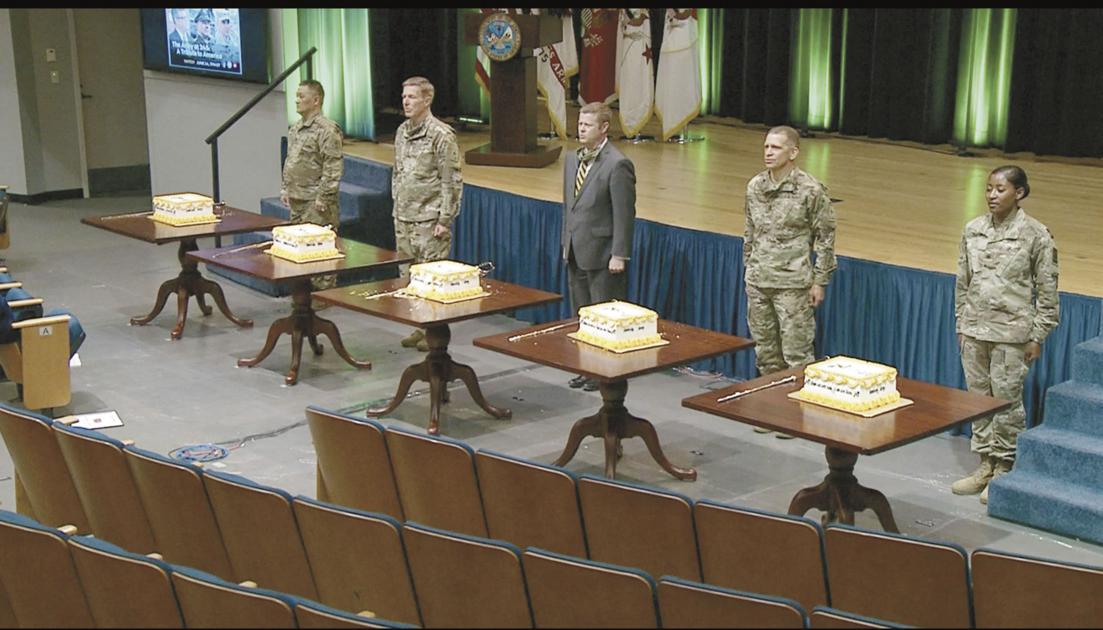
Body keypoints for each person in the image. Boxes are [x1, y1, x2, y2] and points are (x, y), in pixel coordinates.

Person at [952, 165, 1059, 505]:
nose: (992, 195)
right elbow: (962, 281)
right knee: (978, 401)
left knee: (1007, 403)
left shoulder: (1035, 234)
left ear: (1019, 193)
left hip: (1012, 334)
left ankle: (1004, 468)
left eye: (1000, 189)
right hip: (975, 330)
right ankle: (985, 464)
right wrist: (961, 323)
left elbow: (1047, 291)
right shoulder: (973, 229)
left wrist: (1037, 335)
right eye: (989, 189)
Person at [743, 125, 837, 438]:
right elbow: (749, 232)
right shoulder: (755, 186)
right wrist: (748, 268)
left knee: (796, 354)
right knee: (766, 351)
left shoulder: (810, 190)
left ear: (793, 152)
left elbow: (825, 238)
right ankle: (770, 411)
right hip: (759, 280)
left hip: (793, 284)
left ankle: (796, 417)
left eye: (776, 147)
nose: (768, 152)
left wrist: (820, 280)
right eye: (766, 147)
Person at [561, 101, 637, 392]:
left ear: (604, 128)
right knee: (582, 314)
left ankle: (604, 372)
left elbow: (624, 213)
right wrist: (565, 243)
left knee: (603, 316)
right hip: (575, 249)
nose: (581, 129)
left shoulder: (617, 164)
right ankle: (586, 368)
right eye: (580, 124)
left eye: (587, 125)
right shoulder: (572, 159)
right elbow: (570, 206)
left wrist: (619, 254)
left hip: (603, 254)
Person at [392, 76, 462, 352]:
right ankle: (419, 326)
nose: (406, 102)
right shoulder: (402, 132)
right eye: (404, 97)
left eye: (412, 97)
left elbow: (451, 179)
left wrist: (445, 218)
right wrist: (396, 206)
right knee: (409, 278)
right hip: (404, 217)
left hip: (430, 220)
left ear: (427, 99)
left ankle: (435, 333)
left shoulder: (441, 135)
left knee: (431, 279)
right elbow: (398, 173)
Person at [280, 80, 343, 301]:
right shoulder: (296, 128)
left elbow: (333, 166)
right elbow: (291, 161)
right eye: (296, 96)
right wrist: (286, 188)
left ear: (316, 100)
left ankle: (323, 296)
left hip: (316, 201)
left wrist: (324, 196)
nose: (296, 100)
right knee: (300, 250)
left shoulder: (327, 130)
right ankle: (304, 295)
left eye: (301, 96)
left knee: (319, 249)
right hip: (297, 198)